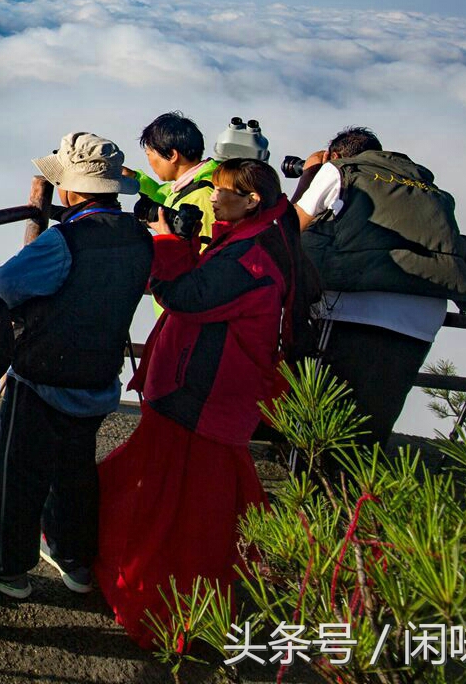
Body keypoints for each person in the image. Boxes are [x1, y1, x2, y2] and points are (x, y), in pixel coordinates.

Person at [95, 158, 299, 646]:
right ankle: (196, 601)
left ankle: (164, 604)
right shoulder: (260, 239)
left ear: (251, 201)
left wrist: (167, 241)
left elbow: (187, 297)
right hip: (208, 394)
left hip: (201, 396)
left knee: (180, 511)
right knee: (199, 505)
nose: (212, 199)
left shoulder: (249, 260)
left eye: (223, 192)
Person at [0, 133, 151, 599]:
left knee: (18, 474)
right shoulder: (139, 237)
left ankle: (7, 566)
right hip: (99, 379)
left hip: (41, 378)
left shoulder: (63, 242)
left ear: (69, 191)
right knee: (75, 470)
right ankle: (74, 559)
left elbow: (5, 285)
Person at [294, 127, 466, 447]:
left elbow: (290, 227)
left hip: (351, 309)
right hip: (422, 319)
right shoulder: (428, 186)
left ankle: (311, 491)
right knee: (372, 428)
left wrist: (311, 174)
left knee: (318, 421)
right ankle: (359, 495)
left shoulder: (339, 169)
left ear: (334, 154)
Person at [132, 112, 219, 243]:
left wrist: (167, 239)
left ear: (172, 155)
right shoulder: (188, 186)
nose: (149, 161)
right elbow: (162, 195)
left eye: (149, 154)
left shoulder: (203, 197)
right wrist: (135, 178)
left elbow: (204, 254)